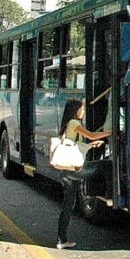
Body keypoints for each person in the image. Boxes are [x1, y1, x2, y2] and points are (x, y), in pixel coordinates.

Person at [55, 98, 110, 249]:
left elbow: (76, 144)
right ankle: (104, 193)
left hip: (67, 170)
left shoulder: (69, 124)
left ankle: (61, 240)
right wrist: (112, 131)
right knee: (104, 166)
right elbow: (91, 135)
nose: (83, 111)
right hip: (72, 171)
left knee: (68, 205)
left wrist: (91, 145)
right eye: (82, 108)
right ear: (76, 110)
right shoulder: (74, 123)